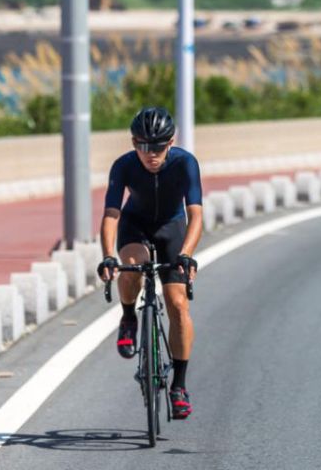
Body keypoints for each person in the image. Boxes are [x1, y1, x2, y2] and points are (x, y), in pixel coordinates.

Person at [97, 106, 203, 420]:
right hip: (136, 226)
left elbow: (195, 214)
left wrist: (186, 253)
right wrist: (107, 257)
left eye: (157, 146)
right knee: (131, 269)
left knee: (178, 303)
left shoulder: (185, 163)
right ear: (133, 143)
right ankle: (129, 316)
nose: (150, 154)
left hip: (172, 229)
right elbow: (112, 214)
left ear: (171, 142)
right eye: (142, 146)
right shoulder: (124, 166)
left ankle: (179, 386)